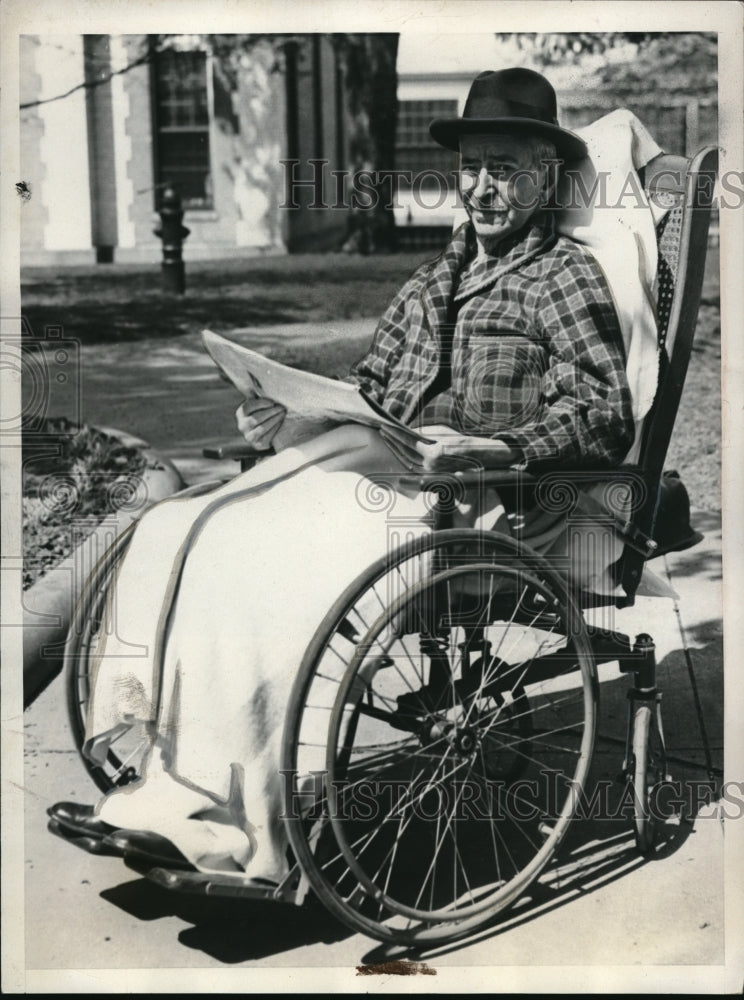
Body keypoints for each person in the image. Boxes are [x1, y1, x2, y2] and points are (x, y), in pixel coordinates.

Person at [47, 68, 635, 884]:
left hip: (476, 496)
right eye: (473, 168)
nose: (485, 187)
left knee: (277, 565)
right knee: (183, 526)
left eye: (507, 168)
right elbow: (371, 391)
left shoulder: (562, 278)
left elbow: (605, 411)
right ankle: (167, 787)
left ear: (546, 176)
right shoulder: (436, 278)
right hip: (380, 461)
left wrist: (497, 450)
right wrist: (284, 417)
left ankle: (240, 832)